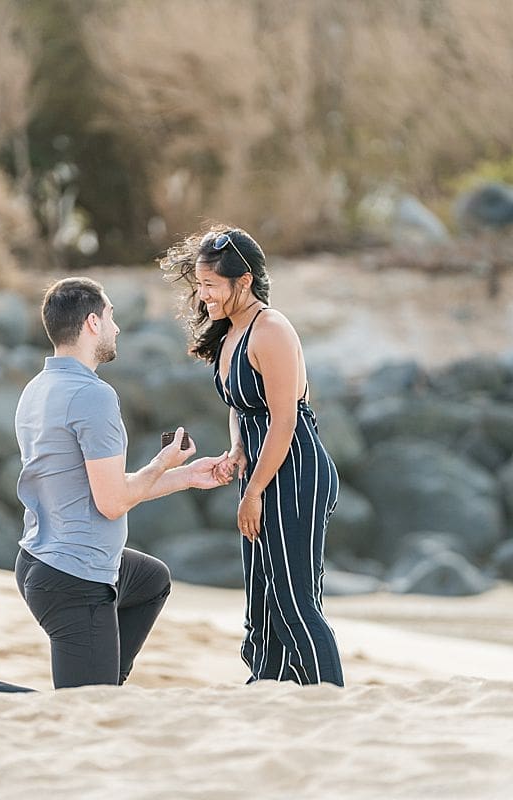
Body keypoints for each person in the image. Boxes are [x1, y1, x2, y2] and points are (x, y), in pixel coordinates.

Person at [13, 276, 232, 689]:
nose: (117, 327)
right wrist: (162, 461)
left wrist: (185, 475)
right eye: (111, 316)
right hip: (75, 579)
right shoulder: (94, 397)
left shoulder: (36, 389)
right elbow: (113, 502)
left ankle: (105, 678)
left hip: (37, 561)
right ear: (93, 323)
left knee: (151, 580)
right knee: (82, 710)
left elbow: (99, 487)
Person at [161, 227, 344, 686]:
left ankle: (332, 699)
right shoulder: (230, 333)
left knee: (295, 599)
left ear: (242, 282)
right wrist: (238, 452)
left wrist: (255, 491)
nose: (202, 297)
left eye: (210, 286)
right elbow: (243, 409)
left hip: (296, 470)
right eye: (199, 286)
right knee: (262, 597)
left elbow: (284, 421)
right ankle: (269, 688)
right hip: (264, 470)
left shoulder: (272, 330)